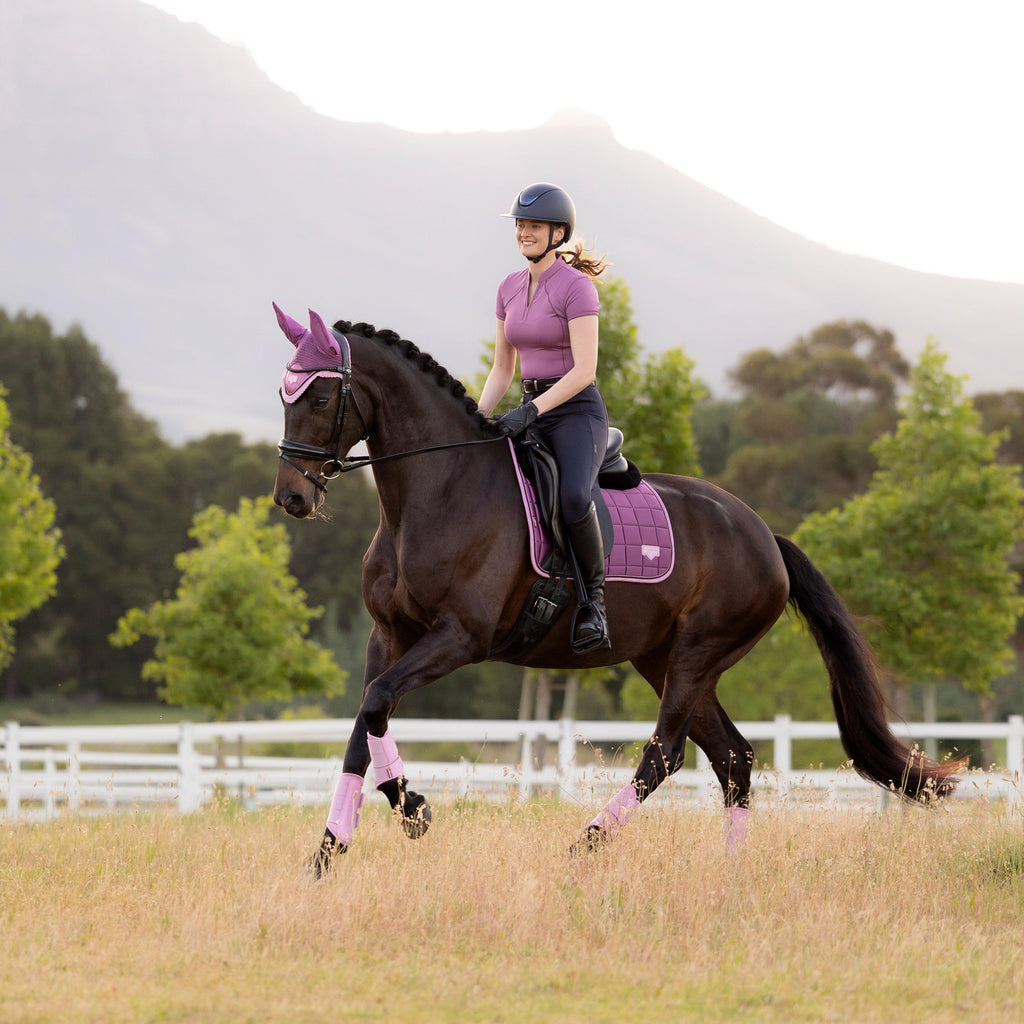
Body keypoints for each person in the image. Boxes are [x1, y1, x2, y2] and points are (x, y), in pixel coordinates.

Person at [478, 182, 612, 653]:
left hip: (575, 412)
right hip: (527, 409)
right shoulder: (508, 288)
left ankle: (594, 604)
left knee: (573, 497)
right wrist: (477, 418)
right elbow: (503, 368)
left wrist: (531, 410)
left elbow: (585, 371)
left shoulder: (577, 288)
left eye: (534, 225)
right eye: (520, 225)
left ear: (558, 233)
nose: (524, 233)